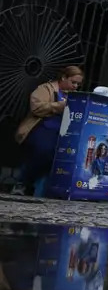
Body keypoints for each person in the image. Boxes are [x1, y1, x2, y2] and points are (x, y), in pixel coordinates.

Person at [14, 65, 84, 196]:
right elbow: (36, 108)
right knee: (43, 150)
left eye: (78, 84)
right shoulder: (46, 88)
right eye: (73, 82)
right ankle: (23, 182)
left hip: (63, 131)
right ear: (63, 77)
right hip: (42, 127)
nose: (75, 86)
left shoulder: (74, 96)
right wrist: (60, 106)